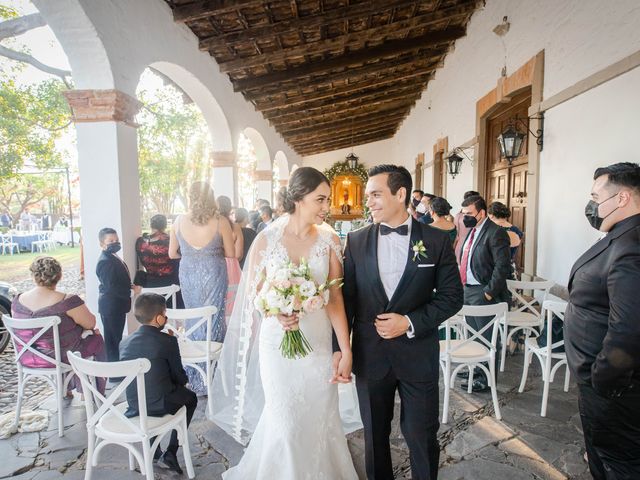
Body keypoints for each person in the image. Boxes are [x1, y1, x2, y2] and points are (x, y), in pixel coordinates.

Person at [212, 167, 358, 479]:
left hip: (317, 345)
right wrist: (274, 310)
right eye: (320, 199)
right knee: (287, 422)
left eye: (328, 200)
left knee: (320, 418)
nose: (326, 207)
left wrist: (345, 350)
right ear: (298, 198)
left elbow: (334, 299)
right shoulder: (267, 240)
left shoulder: (330, 241)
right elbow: (253, 295)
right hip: (277, 344)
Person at [341, 165, 463, 480]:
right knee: (374, 439)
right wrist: (340, 349)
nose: (369, 202)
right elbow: (347, 301)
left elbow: (452, 297)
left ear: (400, 194)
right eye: (368, 196)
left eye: (376, 195)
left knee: (422, 436)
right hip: (371, 355)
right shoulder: (355, 241)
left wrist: (409, 321)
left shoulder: (436, 241)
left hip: (418, 354)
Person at [565, 162, 640, 479]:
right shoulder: (620, 234)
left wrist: (600, 380)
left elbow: (629, 330)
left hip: (612, 391)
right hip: (600, 386)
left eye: (596, 196)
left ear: (622, 198)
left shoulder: (631, 247)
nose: (591, 204)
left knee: (617, 465)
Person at [120, 293, 197, 474]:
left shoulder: (124, 343)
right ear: (159, 318)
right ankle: (171, 451)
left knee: (148, 390)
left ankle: (154, 450)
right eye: (165, 313)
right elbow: (180, 377)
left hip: (134, 404)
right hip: (161, 404)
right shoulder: (167, 341)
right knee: (191, 398)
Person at [169, 182, 234, 395]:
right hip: (214, 270)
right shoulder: (220, 221)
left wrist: (190, 255)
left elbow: (172, 253)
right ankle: (213, 376)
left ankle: (195, 375)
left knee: (193, 318)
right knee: (214, 318)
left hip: (188, 272)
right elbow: (231, 253)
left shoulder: (178, 221)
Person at [11, 257, 106, 395]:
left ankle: (65, 389)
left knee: (62, 342)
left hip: (28, 357)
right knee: (95, 338)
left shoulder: (17, 301)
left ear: (33, 276)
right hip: (62, 357)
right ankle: (91, 392)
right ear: (59, 276)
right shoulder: (68, 301)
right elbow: (90, 323)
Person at [458, 195, 511, 392]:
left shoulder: (495, 232)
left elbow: (502, 266)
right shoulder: (473, 231)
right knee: (473, 335)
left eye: (470, 214)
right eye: (464, 214)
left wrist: (488, 293)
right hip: (468, 289)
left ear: (481, 213)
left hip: (483, 291)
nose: (466, 218)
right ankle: (475, 369)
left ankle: (486, 379)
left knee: (487, 338)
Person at [96, 227, 138, 364]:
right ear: (102, 244)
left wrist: (129, 286)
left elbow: (117, 280)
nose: (115, 243)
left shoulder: (112, 256)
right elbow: (111, 288)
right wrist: (131, 292)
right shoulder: (105, 261)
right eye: (111, 241)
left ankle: (117, 364)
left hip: (117, 305)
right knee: (112, 340)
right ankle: (114, 370)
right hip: (111, 305)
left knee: (117, 337)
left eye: (116, 240)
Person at [135, 215, 182, 306]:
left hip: (149, 285)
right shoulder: (171, 240)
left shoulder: (140, 242)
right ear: (165, 226)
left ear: (151, 226)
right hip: (171, 285)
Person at [217, 195, 243, 315]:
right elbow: (238, 254)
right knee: (235, 303)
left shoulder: (213, 226)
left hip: (216, 268)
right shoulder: (235, 227)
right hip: (233, 268)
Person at [487, 201, 523, 279]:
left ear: (491, 215)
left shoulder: (492, 230)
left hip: (494, 270)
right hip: (510, 268)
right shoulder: (516, 230)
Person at [453, 190, 479, 260]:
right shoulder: (478, 216)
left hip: (460, 245)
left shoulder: (458, 215)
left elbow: (456, 235)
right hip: (474, 246)